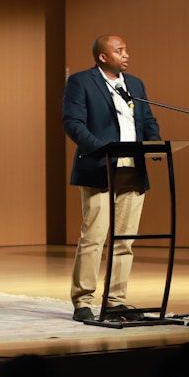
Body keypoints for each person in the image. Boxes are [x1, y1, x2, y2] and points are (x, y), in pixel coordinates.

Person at [62, 34, 162, 322]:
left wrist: (154, 144)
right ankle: (83, 301)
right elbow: (73, 123)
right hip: (100, 166)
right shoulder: (81, 82)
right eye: (119, 50)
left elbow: (147, 120)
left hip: (133, 165)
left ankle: (116, 300)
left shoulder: (136, 84)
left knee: (125, 238)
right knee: (94, 237)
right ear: (103, 57)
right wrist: (100, 148)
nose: (126, 54)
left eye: (126, 50)